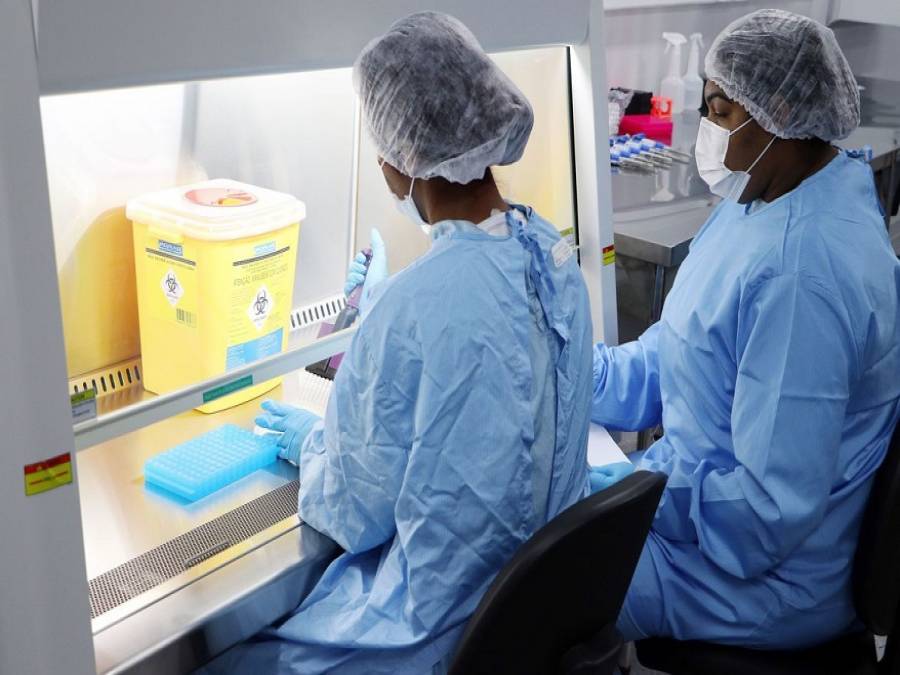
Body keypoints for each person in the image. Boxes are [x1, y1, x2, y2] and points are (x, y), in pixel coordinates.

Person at [202, 11, 594, 674]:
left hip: (434, 635)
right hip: (527, 623)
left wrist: (315, 446)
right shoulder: (552, 257)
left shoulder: (413, 307)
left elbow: (354, 513)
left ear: (399, 162)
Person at [592, 9, 900, 648]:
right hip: (704, 513)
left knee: (537, 588)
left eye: (720, 111)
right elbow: (684, 351)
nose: (705, 131)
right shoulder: (765, 195)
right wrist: (579, 376)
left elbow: (767, 513)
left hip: (759, 580)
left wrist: (636, 496)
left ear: (779, 113)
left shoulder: (803, 275)